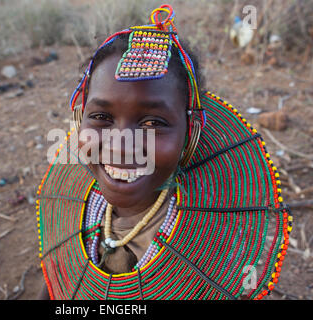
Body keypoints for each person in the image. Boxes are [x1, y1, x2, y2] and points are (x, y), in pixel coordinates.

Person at [36, 4, 292, 300]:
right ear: (81, 120)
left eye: (153, 122)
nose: (120, 145)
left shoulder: (209, 257)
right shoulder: (76, 213)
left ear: (190, 132)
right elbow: (57, 278)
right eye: (102, 117)